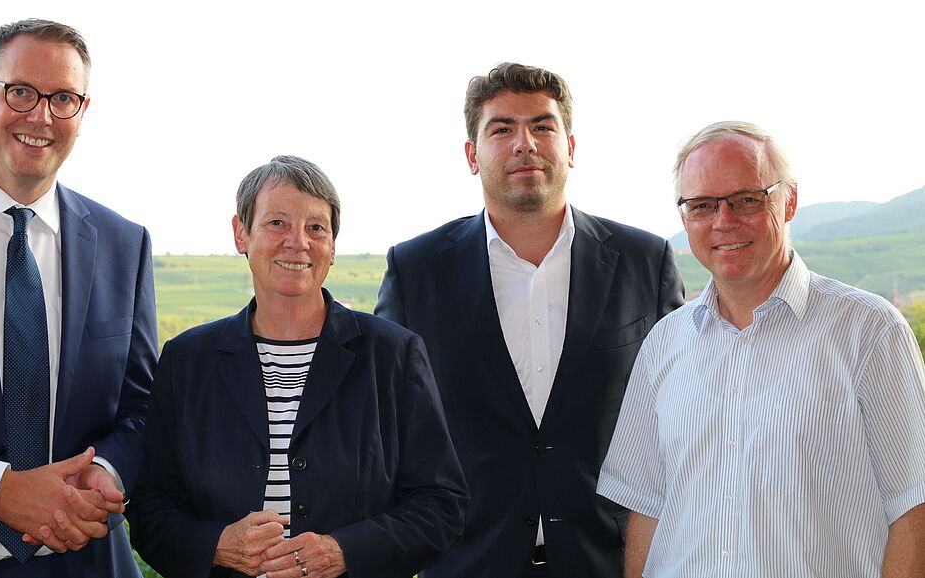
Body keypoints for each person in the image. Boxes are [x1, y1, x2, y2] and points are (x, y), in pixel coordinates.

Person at [374, 62, 685, 577]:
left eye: (543, 126)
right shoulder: (415, 270)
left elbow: (678, 422)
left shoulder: (643, 262)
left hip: (608, 565)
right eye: (502, 129)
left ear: (571, 147)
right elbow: (387, 433)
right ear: (472, 155)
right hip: (463, 564)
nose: (525, 143)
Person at [597, 120, 925, 577]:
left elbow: (914, 508)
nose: (723, 221)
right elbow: (648, 509)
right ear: (684, 217)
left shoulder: (868, 332)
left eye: (747, 200)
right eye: (703, 205)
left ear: (789, 201)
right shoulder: (663, 345)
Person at [127, 155, 467, 578]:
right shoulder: (186, 360)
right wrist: (217, 546)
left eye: (316, 228)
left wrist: (345, 551)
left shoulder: (392, 354)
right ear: (241, 234)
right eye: (277, 223)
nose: (298, 242)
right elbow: (149, 507)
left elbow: (440, 504)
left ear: (332, 246)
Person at [0, 19, 158, 577]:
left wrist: (103, 475)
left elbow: (143, 408)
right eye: (21, 92)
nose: (41, 116)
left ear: (83, 113)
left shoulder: (123, 244)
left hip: (87, 561)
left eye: (63, 98)